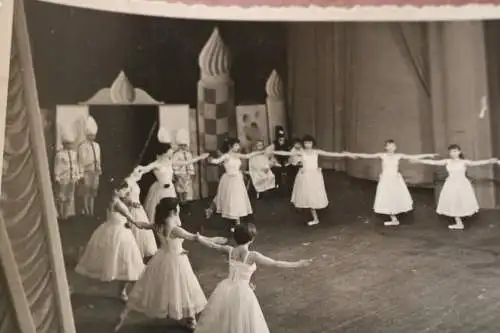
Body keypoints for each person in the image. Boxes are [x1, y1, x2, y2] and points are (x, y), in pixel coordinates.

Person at [114, 197, 228, 331]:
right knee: (184, 287)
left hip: (161, 257)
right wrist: (216, 242)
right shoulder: (174, 229)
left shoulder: (158, 224)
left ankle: (124, 315)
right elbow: (196, 238)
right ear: (174, 211)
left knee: (159, 287)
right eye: (178, 208)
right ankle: (191, 320)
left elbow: (142, 225)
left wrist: (132, 220)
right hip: (177, 261)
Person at [193, 223, 312, 333]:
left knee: (227, 316)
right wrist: (298, 263)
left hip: (227, 288)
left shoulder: (229, 250)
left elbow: (213, 245)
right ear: (251, 239)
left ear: (235, 238)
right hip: (242, 291)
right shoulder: (252, 256)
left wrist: (199, 238)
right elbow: (275, 263)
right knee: (243, 317)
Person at [75, 180, 145, 301]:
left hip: (114, 229)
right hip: (119, 233)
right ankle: (123, 291)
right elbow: (129, 217)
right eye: (123, 190)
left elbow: (124, 207)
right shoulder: (116, 203)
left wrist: (131, 204)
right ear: (116, 191)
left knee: (125, 263)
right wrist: (138, 222)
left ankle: (123, 290)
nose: (126, 191)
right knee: (128, 262)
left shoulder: (114, 200)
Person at [348, 139, 437, 226]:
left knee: (395, 197)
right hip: (386, 180)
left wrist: (429, 155)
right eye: (389, 146)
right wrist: (352, 154)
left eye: (393, 146)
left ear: (395, 147)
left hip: (395, 180)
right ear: (385, 147)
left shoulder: (398, 155)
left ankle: (395, 217)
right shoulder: (382, 155)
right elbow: (366, 155)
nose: (391, 148)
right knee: (387, 198)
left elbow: (412, 156)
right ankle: (393, 218)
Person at [272, 134, 355, 226]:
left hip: (314, 176)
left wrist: (346, 154)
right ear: (304, 144)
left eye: (310, 142)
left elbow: (330, 154)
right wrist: (273, 151)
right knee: (307, 196)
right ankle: (314, 217)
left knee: (313, 196)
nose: (308, 144)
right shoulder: (301, 152)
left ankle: (316, 218)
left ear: (313, 143)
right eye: (306, 143)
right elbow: (287, 153)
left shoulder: (316, 151)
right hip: (305, 176)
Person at [410, 144, 497, 230]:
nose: (453, 153)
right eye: (451, 151)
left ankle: (462, 219)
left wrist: (489, 160)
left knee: (462, 201)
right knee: (453, 202)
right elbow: (433, 162)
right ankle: (458, 222)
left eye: (455, 151)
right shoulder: (447, 161)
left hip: (462, 184)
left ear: (459, 152)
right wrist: (419, 161)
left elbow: (476, 163)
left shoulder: (464, 161)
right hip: (451, 184)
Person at [142, 127, 208, 221]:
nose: (172, 152)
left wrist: (200, 157)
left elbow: (187, 162)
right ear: (164, 152)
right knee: (158, 210)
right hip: (160, 189)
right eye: (170, 151)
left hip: (170, 189)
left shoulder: (170, 162)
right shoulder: (156, 164)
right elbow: (144, 169)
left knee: (172, 209)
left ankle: (170, 223)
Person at [205, 138, 264, 231]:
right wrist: (210, 160)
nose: (238, 147)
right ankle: (214, 211)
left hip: (237, 180)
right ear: (230, 146)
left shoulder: (237, 155)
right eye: (236, 145)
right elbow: (217, 161)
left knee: (236, 200)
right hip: (229, 180)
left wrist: (259, 152)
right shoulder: (226, 156)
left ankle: (237, 223)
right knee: (224, 198)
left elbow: (248, 156)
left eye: (238, 145)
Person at [125, 166, 157, 259]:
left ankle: (140, 252)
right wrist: (131, 203)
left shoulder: (134, 180)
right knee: (134, 228)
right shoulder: (127, 181)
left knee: (142, 230)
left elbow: (141, 173)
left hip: (138, 208)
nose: (139, 173)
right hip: (131, 208)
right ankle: (133, 252)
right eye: (137, 171)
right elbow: (124, 197)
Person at [54, 128, 81, 220]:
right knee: (62, 196)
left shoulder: (74, 154)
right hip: (63, 177)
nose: (69, 145)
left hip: (72, 177)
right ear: (64, 144)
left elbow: (76, 165)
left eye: (70, 143)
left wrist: (77, 176)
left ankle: (67, 214)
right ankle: (61, 214)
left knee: (70, 196)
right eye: (67, 143)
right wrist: (57, 176)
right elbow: (57, 166)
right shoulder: (60, 155)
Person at [77, 116, 102, 216]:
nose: (93, 137)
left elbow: (99, 158)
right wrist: (81, 174)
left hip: (95, 171)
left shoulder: (97, 145)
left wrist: (99, 167)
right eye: (90, 135)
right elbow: (81, 161)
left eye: (94, 135)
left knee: (93, 193)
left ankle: (91, 210)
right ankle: (86, 210)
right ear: (87, 135)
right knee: (86, 192)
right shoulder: (82, 146)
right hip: (87, 172)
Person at [172, 129, 196, 209]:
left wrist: (192, 173)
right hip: (180, 173)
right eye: (181, 145)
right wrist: (177, 174)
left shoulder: (189, 154)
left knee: (186, 188)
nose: (183, 147)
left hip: (187, 173)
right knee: (179, 188)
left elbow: (190, 163)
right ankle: (181, 201)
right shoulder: (177, 154)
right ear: (179, 145)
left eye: (185, 145)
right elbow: (174, 164)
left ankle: (185, 201)